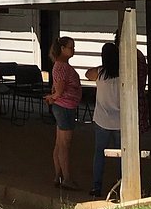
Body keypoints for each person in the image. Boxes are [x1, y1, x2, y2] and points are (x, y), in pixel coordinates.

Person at [85, 41, 122, 199]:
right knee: (122, 155)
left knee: (99, 153)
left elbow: (87, 74)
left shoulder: (100, 73)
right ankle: (122, 185)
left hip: (102, 120)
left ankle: (96, 186)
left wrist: (103, 66)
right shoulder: (124, 74)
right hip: (120, 121)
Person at [45, 35, 80, 188]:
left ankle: (58, 175)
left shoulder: (60, 66)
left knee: (59, 143)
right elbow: (58, 91)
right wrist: (52, 97)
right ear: (62, 49)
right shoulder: (62, 67)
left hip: (64, 106)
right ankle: (66, 178)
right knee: (65, 144)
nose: (73, 50)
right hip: (65, 107)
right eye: (71, 47)